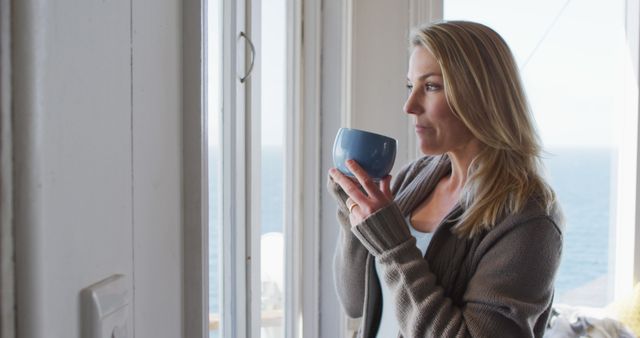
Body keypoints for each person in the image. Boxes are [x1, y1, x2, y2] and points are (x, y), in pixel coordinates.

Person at [328, 20, 563, 338]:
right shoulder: (414, 178)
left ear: (481, 94)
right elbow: (356, 303)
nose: (409, 106)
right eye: (411, 87)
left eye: (432, 86)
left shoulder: (527, 219)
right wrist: (353, 214)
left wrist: (394, 248)